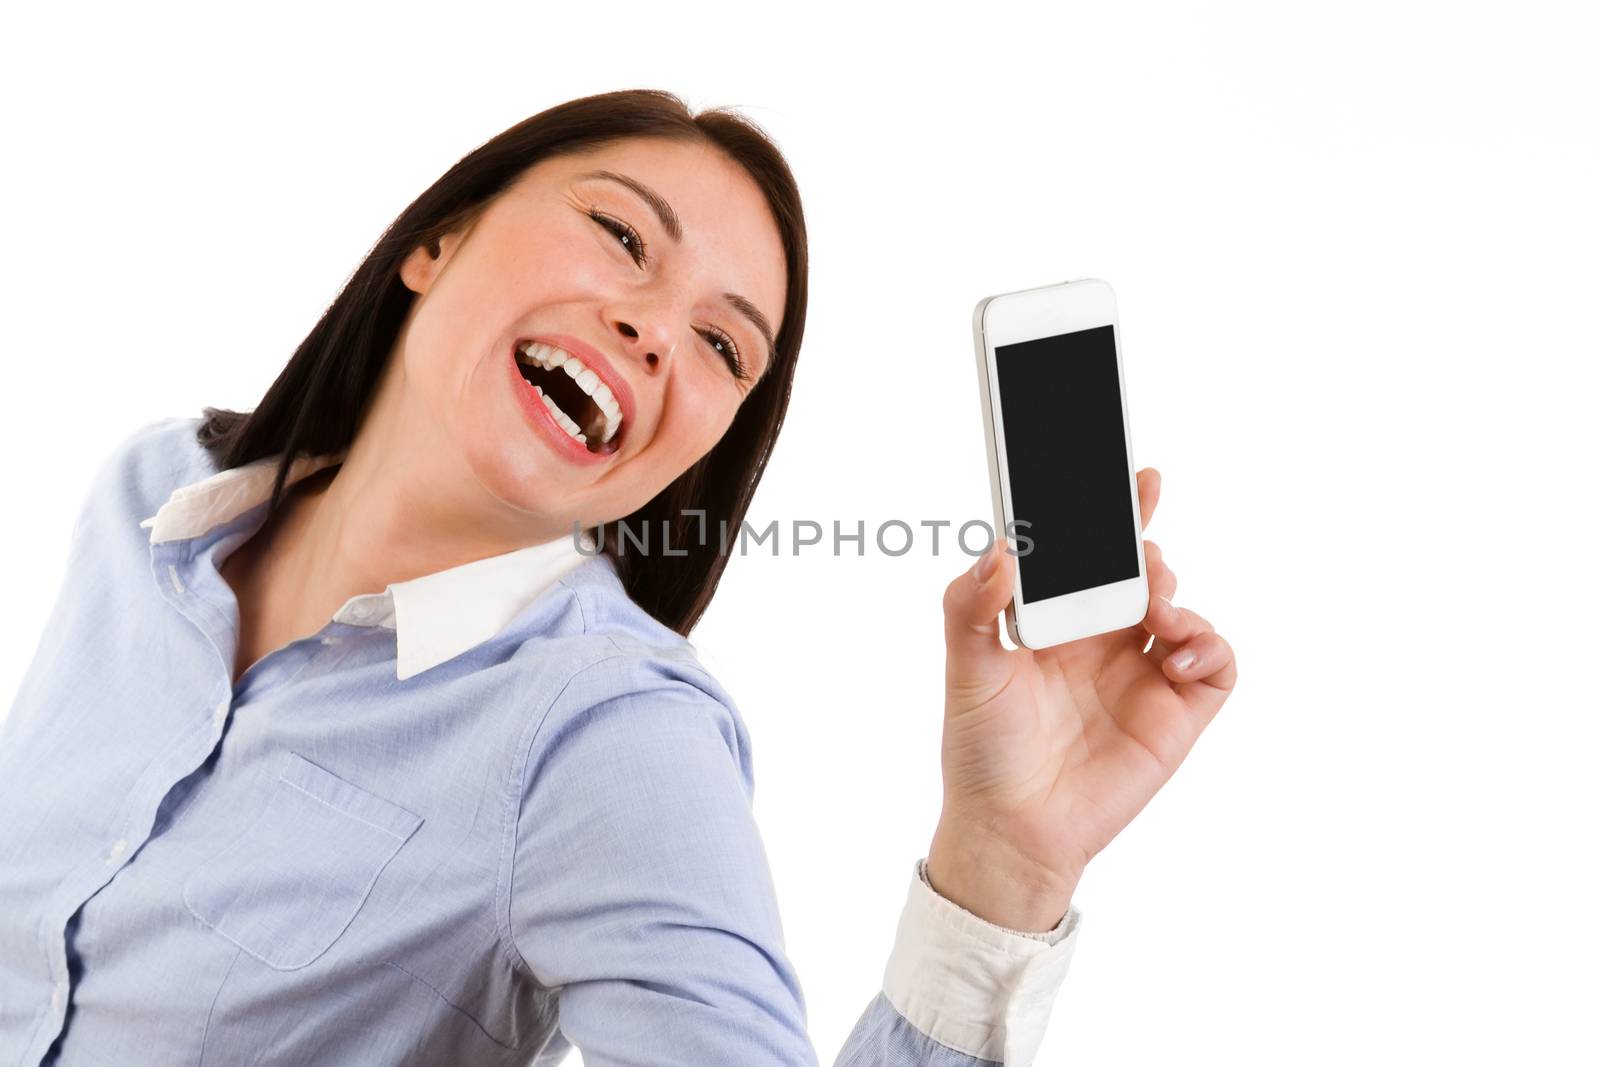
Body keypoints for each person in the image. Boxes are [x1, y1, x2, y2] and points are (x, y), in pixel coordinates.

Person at [0, 89, 1237, 1066]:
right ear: (440, 236)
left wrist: (1004, 868)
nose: (655, 326)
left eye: (721, 343)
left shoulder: (608, 736)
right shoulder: (150, 501)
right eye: (620, 234)